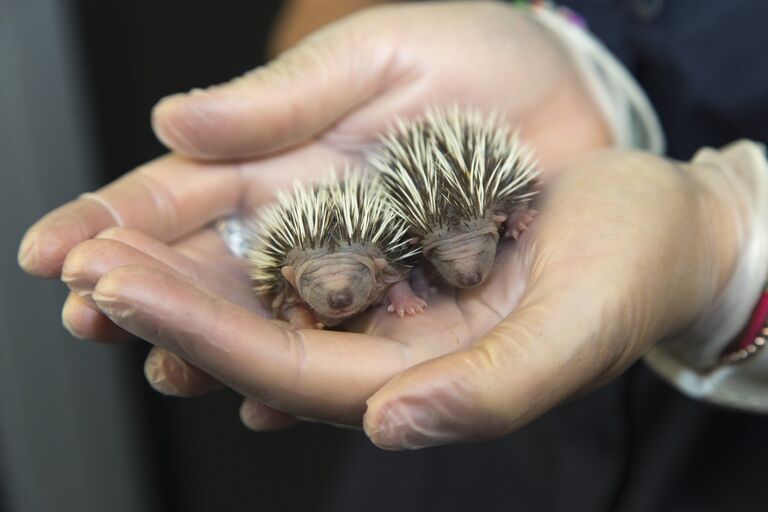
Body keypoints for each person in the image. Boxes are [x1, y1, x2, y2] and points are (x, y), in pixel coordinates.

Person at [18, 1, 768, 509]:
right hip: (444, 475)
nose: (469, 279)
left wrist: (728, 241)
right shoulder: (383, 252)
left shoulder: (456, 230)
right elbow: (315, 17)